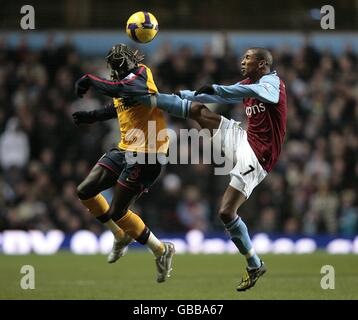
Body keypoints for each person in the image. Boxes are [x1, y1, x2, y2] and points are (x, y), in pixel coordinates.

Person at [124, 47, 287, 291]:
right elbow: (219, 96)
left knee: (226, 212)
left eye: (248, 58)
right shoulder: (246, 84)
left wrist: (220, 90)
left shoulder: (273, 83)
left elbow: (256, 95)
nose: (242, 61)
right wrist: (183, 94)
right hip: (244, 139)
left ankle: (254, 264)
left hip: (259, 156)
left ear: (262, 63)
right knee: (199, 111)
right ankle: (150, 99)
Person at [73, 43, 175, 283]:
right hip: (125, 148)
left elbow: (124, 91)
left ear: (131, 59)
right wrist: (93, 116)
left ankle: (161, 250)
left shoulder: (142, 75)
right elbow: (118, 106)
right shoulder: (122, 85)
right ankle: (119, 236)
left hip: (148, 154)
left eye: (121, 60)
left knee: (118, 211)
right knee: (84, 190)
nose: (119, 64)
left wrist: (90, 79)